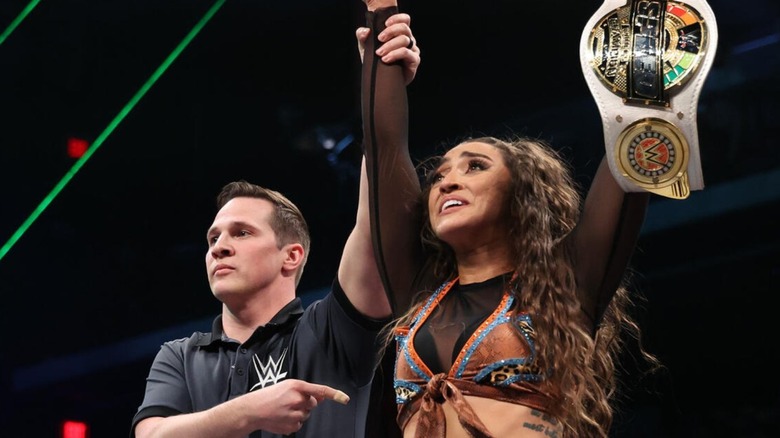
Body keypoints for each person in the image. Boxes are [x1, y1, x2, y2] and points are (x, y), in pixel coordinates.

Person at [359, 1, 660, 437]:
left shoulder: (566, 281)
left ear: (521, 195)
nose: (446, 182)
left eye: (475, 167)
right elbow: (384, 145)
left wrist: (648, 74)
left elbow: (628, 160)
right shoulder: (418, 290)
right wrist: (381, 12)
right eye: (439, 174)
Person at [130, 8, 421, 438]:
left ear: (293, 255)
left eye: (241, 233)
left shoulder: (333, 331)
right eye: (214, 237)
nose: (218, 247)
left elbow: (379, 208)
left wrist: (382, 77)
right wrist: (248, 412)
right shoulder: (181, 355)